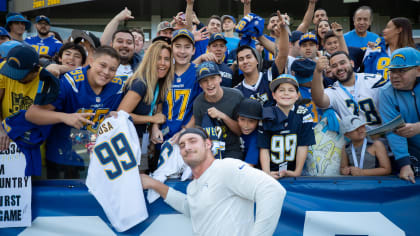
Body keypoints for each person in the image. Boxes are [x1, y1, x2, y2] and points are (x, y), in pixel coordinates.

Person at [140, 127, 286, 236]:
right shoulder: (193, 186)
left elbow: (272, 190)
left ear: (208, 144)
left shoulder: (226, 167)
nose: (187, 147)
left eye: (192, 141)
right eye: (182, 145)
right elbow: (189, 207)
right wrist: (154, 184)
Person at [25, 46, 123, 179]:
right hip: (63, 157)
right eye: (102, 65)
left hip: (99, 159)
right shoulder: (69, 82)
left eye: (112, 69)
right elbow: (32, 114)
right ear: (92, 61)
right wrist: (65, 117)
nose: (106, 72)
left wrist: (119, 115)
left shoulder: (118, 86)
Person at [118, 41, 174, 172]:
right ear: (149, 60)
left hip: (142, 139)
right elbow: (122, 114)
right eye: (158, 58)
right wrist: (152, 120)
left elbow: (158, 109)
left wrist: (154, 128)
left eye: (167, 59)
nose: (163, 63)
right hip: (128, 141)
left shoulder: (158, 83)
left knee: (143, 176)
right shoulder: (140, 83)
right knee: (135, 182)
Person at [0, 44, 58, 151]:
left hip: (33, 142)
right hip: (5, 141)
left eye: (20, 74)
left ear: (35, 70)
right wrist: (1, 129)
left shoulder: (46, 79)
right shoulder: (5, 68)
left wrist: (60, 67)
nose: (13, 77)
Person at [311, 51, 387, 130]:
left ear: (352, 63)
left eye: (342, 63)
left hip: (384, 136)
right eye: (334, 66)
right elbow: (319, 101)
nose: (339, 68)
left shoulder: (374, 80)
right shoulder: (333, 91)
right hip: (356, 141)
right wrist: (318, 71)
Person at [259, 74, 315, 179]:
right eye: (281, 90)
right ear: (274, 95)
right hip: (270, 170)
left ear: (297, 95)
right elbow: (264, 147)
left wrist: (296, 172)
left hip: (293, 169)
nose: (286, 93)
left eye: (291, 90)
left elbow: (303, 145)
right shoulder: (267, 114)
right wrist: (266, 172)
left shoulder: (303, 114)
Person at [379, 47, 420, 183]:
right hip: (413, 151)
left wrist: (418, 127)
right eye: (392, 71)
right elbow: (393, 131)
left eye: (402, 70)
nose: (395, 75)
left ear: (418, 70)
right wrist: (404, 164)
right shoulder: (386, 92)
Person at [152, 29, 201, 143]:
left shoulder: (199, 73)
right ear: (171, 48)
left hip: (187, 137)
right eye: (178, 46)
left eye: (187, 47)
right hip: (163, 136)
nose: (182, 51)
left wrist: (185, 130)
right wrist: (155, 127)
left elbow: (200, 108)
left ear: (193, 50)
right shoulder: (164, 71)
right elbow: (159, 104)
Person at [193, 61, 243, 160]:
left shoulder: (236, 96)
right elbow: (200, 134)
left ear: (220, 78)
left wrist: (223, 116)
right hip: (210, 151)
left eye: (213, 78)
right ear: (200, 84)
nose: (209, 84)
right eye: (204, 80)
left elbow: (241, 131)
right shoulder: (198, 103)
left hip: (232, 150)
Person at [236, 98, 262, 166]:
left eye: (251, 121)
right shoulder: (234, 129)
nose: (246, 125)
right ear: (237, 118)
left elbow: (249, 166)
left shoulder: (256, 137)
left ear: (258, 122)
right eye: (242, 119)